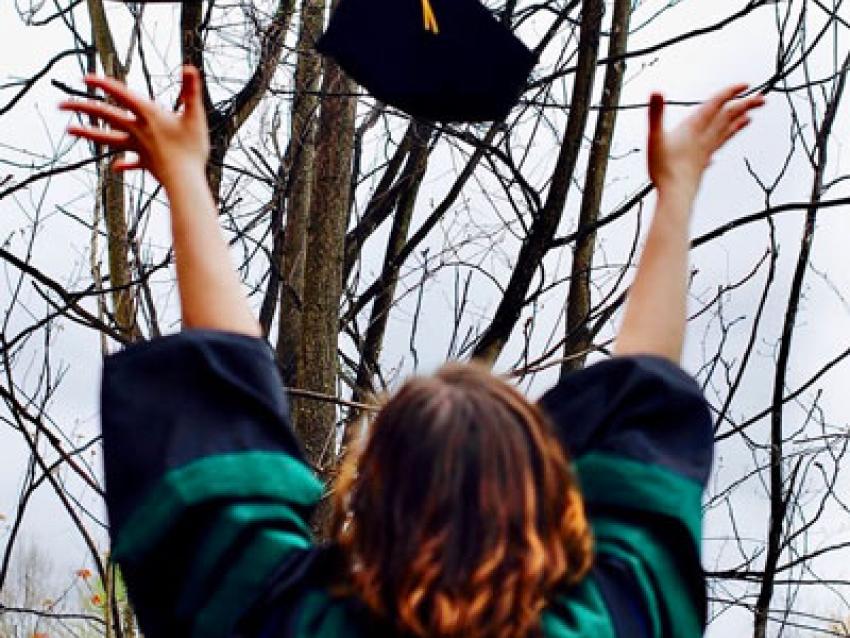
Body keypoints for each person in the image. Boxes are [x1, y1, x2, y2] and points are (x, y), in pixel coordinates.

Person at [60, 67, 764, 637]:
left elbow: (221, 427)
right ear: (552, 504)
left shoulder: (286, 622)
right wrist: (678, 191)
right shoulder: (613, 622)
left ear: (370, 496)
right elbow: (643, 415)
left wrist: (185, 176)